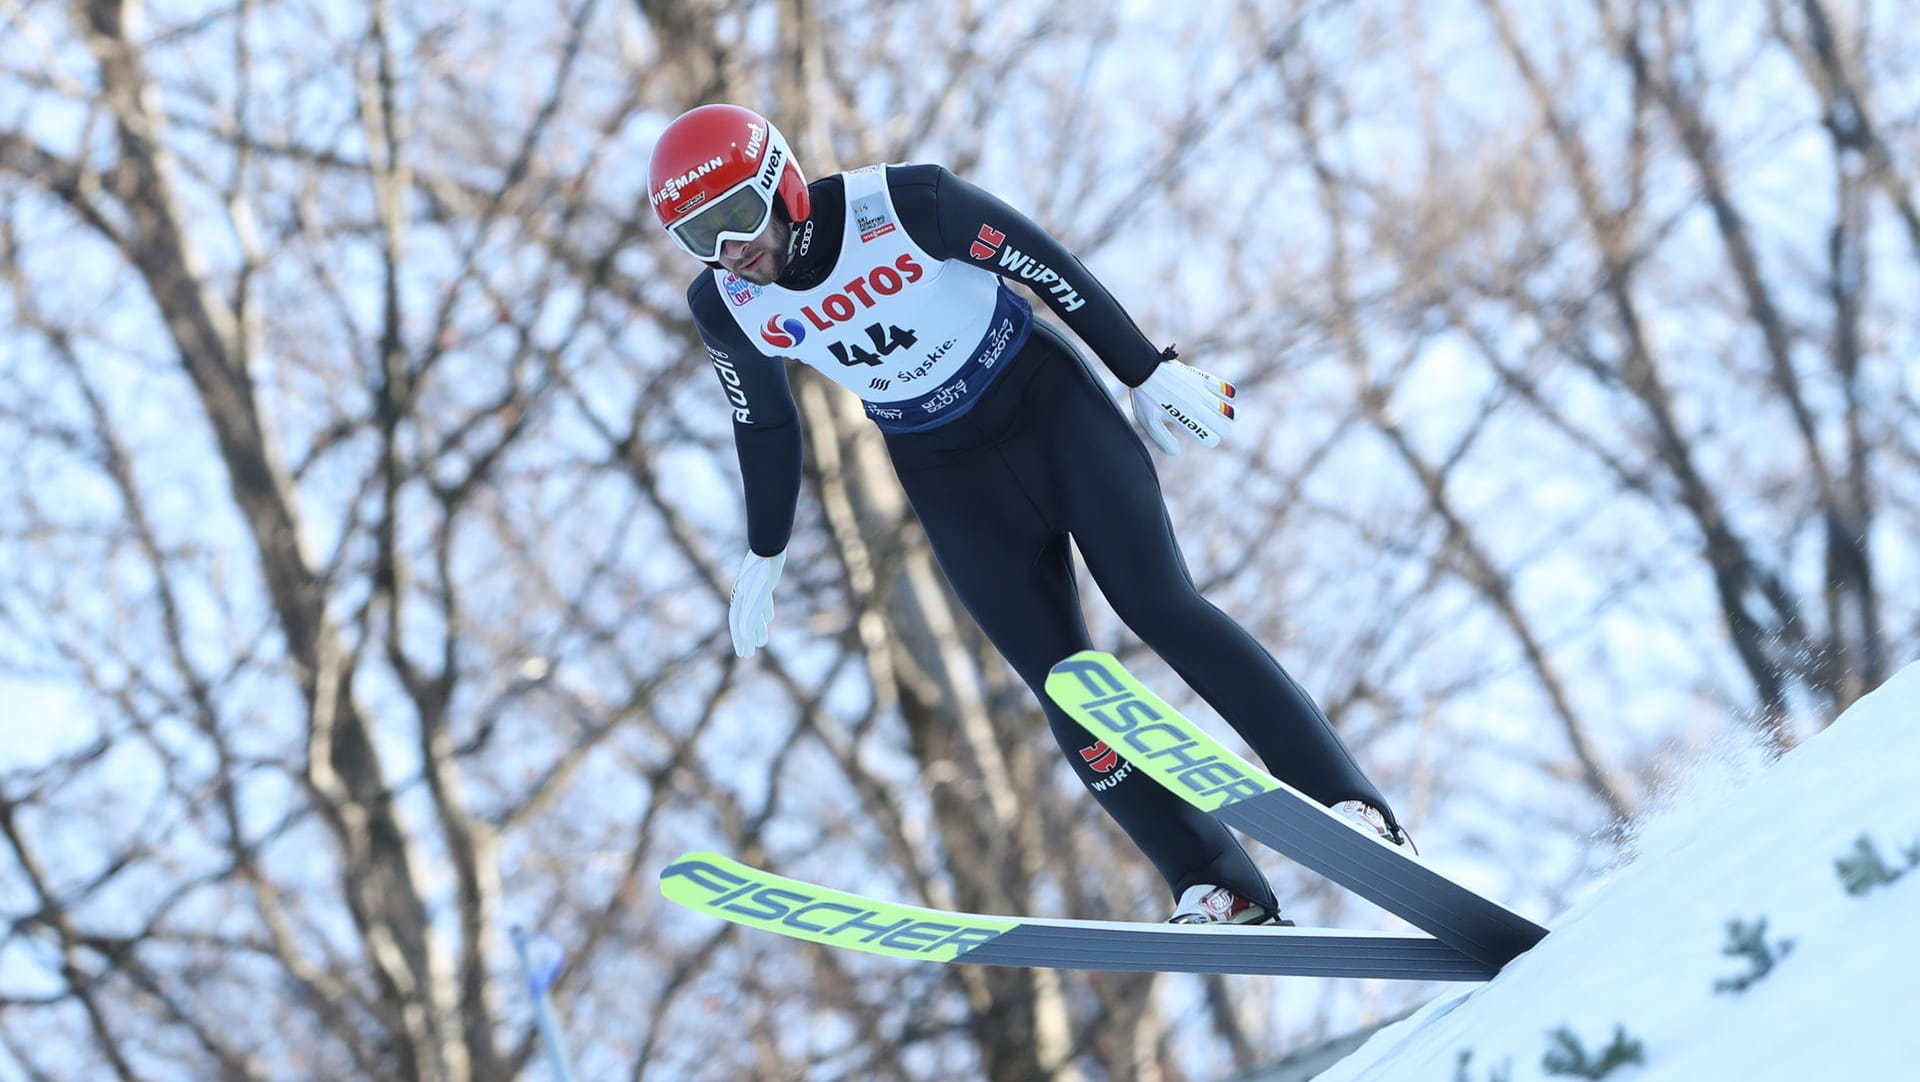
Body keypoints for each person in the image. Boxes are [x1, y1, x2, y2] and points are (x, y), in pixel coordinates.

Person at [649, 103, 1408, 926]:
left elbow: (1049, 267)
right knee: (1066, 688)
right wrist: (765, 553)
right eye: (699, 238)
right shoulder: (727, 304)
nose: (730, 251)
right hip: (945, 474)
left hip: (1048, 410)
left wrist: (1147, 372)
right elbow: (762, 421)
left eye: (735, 218)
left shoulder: (904, 206)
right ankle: (1211, 880)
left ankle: (1346, 803)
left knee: (1160, 607)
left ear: (781, 182)